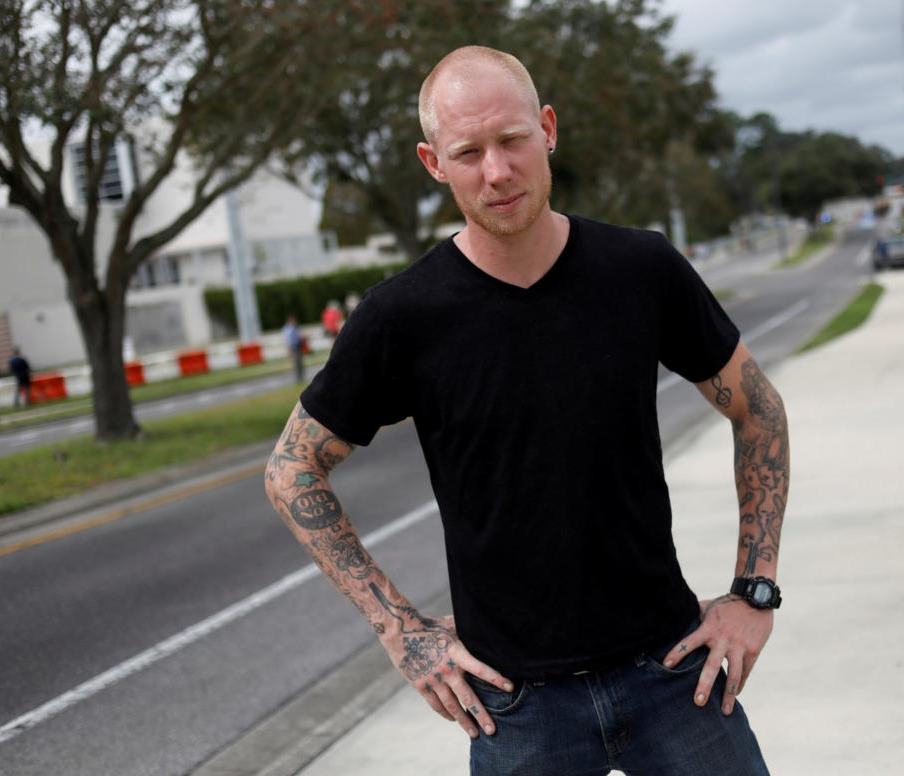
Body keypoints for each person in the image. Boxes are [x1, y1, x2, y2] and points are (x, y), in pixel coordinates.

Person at [265, 46, 788, 775]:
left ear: (547, 128)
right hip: (517, 707)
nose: (497, 171)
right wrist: (399, 629)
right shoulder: (401, 318)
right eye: (468, 152)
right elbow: (292, 471)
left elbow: (759, 412)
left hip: (674, 675)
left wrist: (753, 593)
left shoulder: (641, 269)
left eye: (510, 140)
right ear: (433, 164)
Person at [281, 315, 304, 384]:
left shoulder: (294, 328)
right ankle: (298, 379)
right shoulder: (288, 329)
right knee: (296, 363)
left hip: (298, 346)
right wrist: (289, 350)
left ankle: (301, 377)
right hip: (293, 347)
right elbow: (288, 340)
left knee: (300, 363)